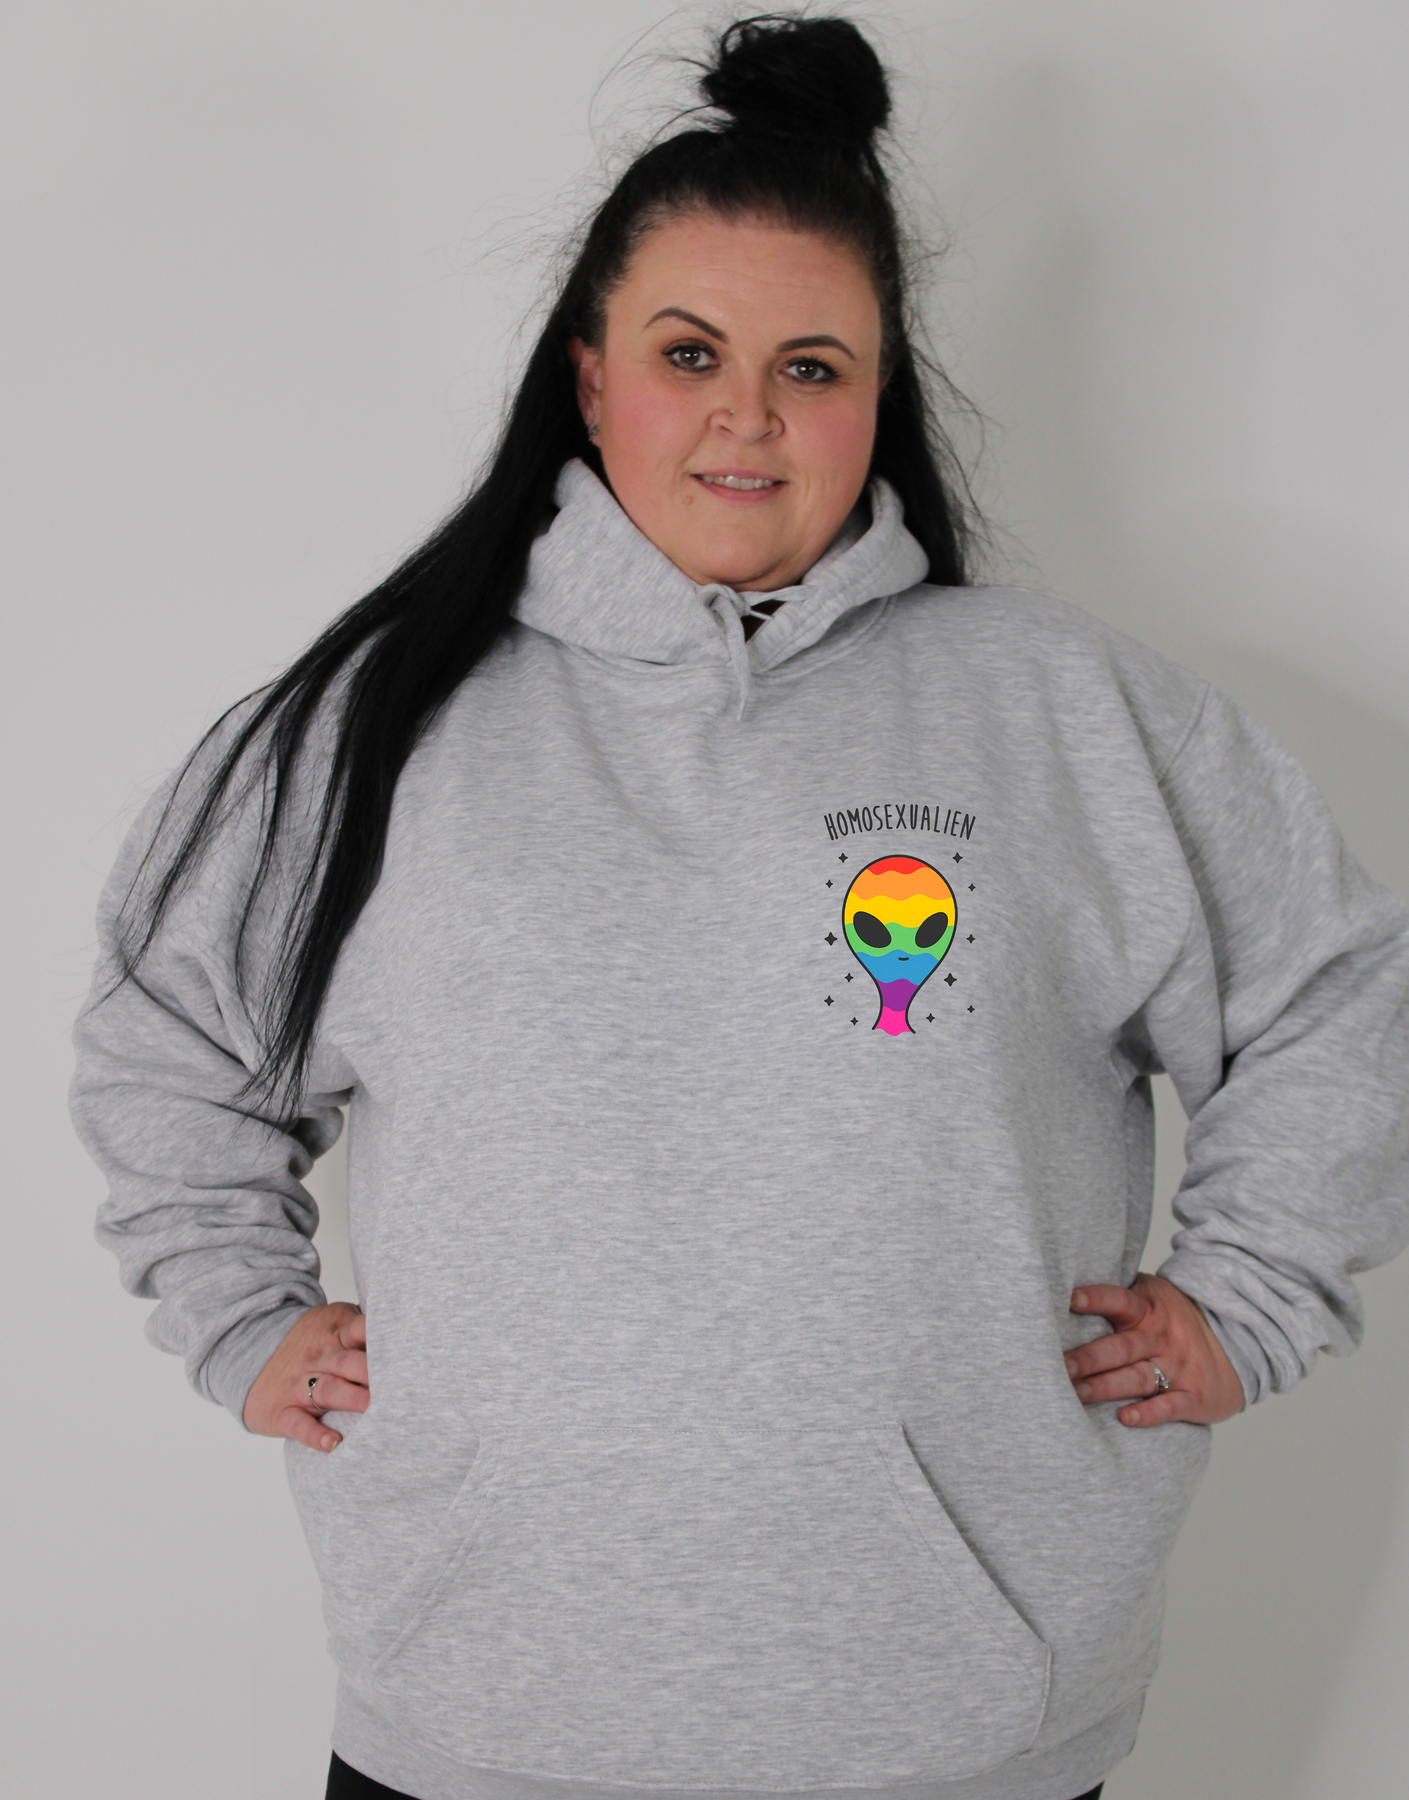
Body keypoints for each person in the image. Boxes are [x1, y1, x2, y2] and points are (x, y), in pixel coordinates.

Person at [68, 14, 1409, 1800]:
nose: (746, 418)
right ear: (589, 378)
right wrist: (241, 1315)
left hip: (967, 1727)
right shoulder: (376, 728)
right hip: (483, 1714)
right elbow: (167, 1042)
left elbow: (1337, 994)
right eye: (688, 352)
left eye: (812, 367)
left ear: (878, 396)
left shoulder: (1062, 710)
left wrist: (1246, 1295)